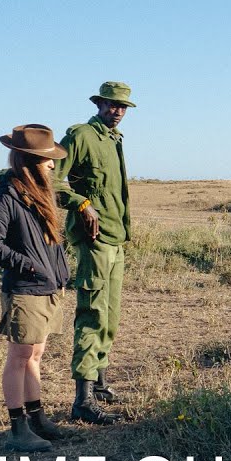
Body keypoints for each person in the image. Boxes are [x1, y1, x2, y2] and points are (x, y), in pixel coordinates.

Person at [0, 124, 72, 451]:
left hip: (47, 287)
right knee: (20, 355)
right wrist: (30, 267)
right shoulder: (8, 194)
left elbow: (50, 243)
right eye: (47, 159)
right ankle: (17, 428)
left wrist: (59, 274)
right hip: (25, 288)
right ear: (31, 160)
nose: (52, 164)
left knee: (35, 354)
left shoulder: (39, 193)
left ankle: (37, 419)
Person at [53, 81, 136, 424]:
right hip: (95, 239)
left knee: (111, 314)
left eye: (122, 107)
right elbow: (55, 183)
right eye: (112, 105)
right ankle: (82, 400)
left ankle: (99, 380)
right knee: (93, 312)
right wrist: (82, 204)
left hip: (116, 237)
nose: (117, 111)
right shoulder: (81, 135)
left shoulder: (114, 139)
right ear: (99, 104)